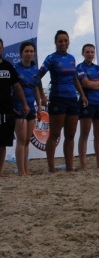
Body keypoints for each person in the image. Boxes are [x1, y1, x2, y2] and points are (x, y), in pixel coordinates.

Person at [38, 30, 87, 173]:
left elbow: (75, 78)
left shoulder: (72, 58)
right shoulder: (51, 58)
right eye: (60, 41)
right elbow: (37, 77)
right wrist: (42, 95)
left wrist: (82, 94)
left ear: (69, 42)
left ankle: (69, 166)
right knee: (54, 135)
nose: (63, 43)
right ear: (56, 43)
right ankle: (51, 167)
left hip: (72, 99)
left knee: (70, 136)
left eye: (65, 40)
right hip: (57, 99)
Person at [13, 41, 45, 176]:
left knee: (27, 140)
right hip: (19, 108)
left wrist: (39, 107)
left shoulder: (34, 70)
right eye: (26, 51)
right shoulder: (15, 69)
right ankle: (21, 170)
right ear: (21, 54)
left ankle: (26, 168)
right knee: (21, 140)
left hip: (31, 108)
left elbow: (36, 89)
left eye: (31, 51)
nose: (29, 54)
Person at [76, 43, 99, 170]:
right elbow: (86, 84)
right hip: (87, 103)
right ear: (83, 53)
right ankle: (83, 164)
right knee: (84, 134)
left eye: (92, 52)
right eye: (87, 52)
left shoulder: (97, 68)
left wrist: (95, 83)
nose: (90, 54)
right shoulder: (80, 67)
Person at [0, 39, 30, 177]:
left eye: (0, 47)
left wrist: (24, 104)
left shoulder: (8, 66)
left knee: (2, 143)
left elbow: (17, 86)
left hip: (6, 110)